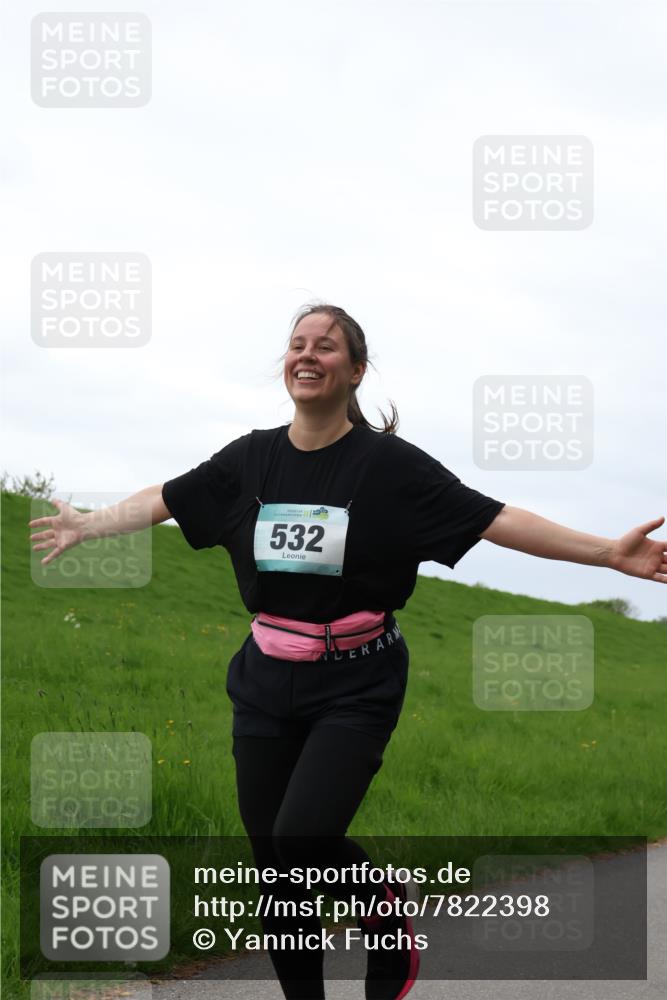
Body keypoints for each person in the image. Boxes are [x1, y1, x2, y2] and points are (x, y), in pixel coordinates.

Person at [29, 304, 667, 1000]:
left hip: (356, 680)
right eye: (297, 345)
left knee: (302, 840)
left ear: (355, 369)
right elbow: (170, 497)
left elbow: (492, 519)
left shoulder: (388, 467)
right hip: (265, 676)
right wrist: (89, 527)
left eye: (326, 347)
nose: (307, 355)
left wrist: (608, 553)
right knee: (275, 866)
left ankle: (384, 913)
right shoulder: (252, 457)